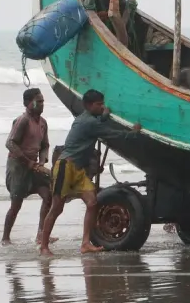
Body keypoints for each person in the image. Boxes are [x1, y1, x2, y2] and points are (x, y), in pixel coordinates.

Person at [38, 89, 142, 256]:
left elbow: (98, 123)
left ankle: (85, 243)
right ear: (88, 105)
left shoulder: (86, 119)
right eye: (99, 104)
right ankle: (43, 246)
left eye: (102, 103)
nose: (102, 107)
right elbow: (111, 134)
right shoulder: (89, 123)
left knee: (92, 202)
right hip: (65, 167)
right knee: (57, 208)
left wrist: (104, 116)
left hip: (78, 170)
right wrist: (133, 133)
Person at [3, 88, 53, 246]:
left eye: (43, 101)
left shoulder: (43, 123)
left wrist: (42, 160)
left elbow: (45, 145)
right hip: (18, 165)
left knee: (48, 196)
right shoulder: (22, 120)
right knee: (16, 204)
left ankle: (41, 234)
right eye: (39, 101)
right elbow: (10, 143)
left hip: (34, 166)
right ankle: (5, 237)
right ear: (28, 103)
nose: (42, 104)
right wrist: (27, 162)